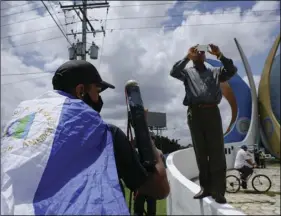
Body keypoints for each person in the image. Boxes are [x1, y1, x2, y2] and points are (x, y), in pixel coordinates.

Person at [1, 60, 169, 215]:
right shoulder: (105, 135)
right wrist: (147, 137)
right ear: (81, 91)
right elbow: (158, 188)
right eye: (97, 90)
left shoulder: (21, 127)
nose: (99, 98)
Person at [170, 44, 237, 204]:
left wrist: (219, 54)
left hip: (212, 112)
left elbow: (232, 70)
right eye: (196, 52)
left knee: (217, 153)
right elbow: (173, 72)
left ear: (206, 56)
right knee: (201, 152)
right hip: (194, 113)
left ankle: (219, 191)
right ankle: (205, 188)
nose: (199, 54)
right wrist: (186, 56)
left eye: (202, 52)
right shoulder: (187, 73)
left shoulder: (216, 72)